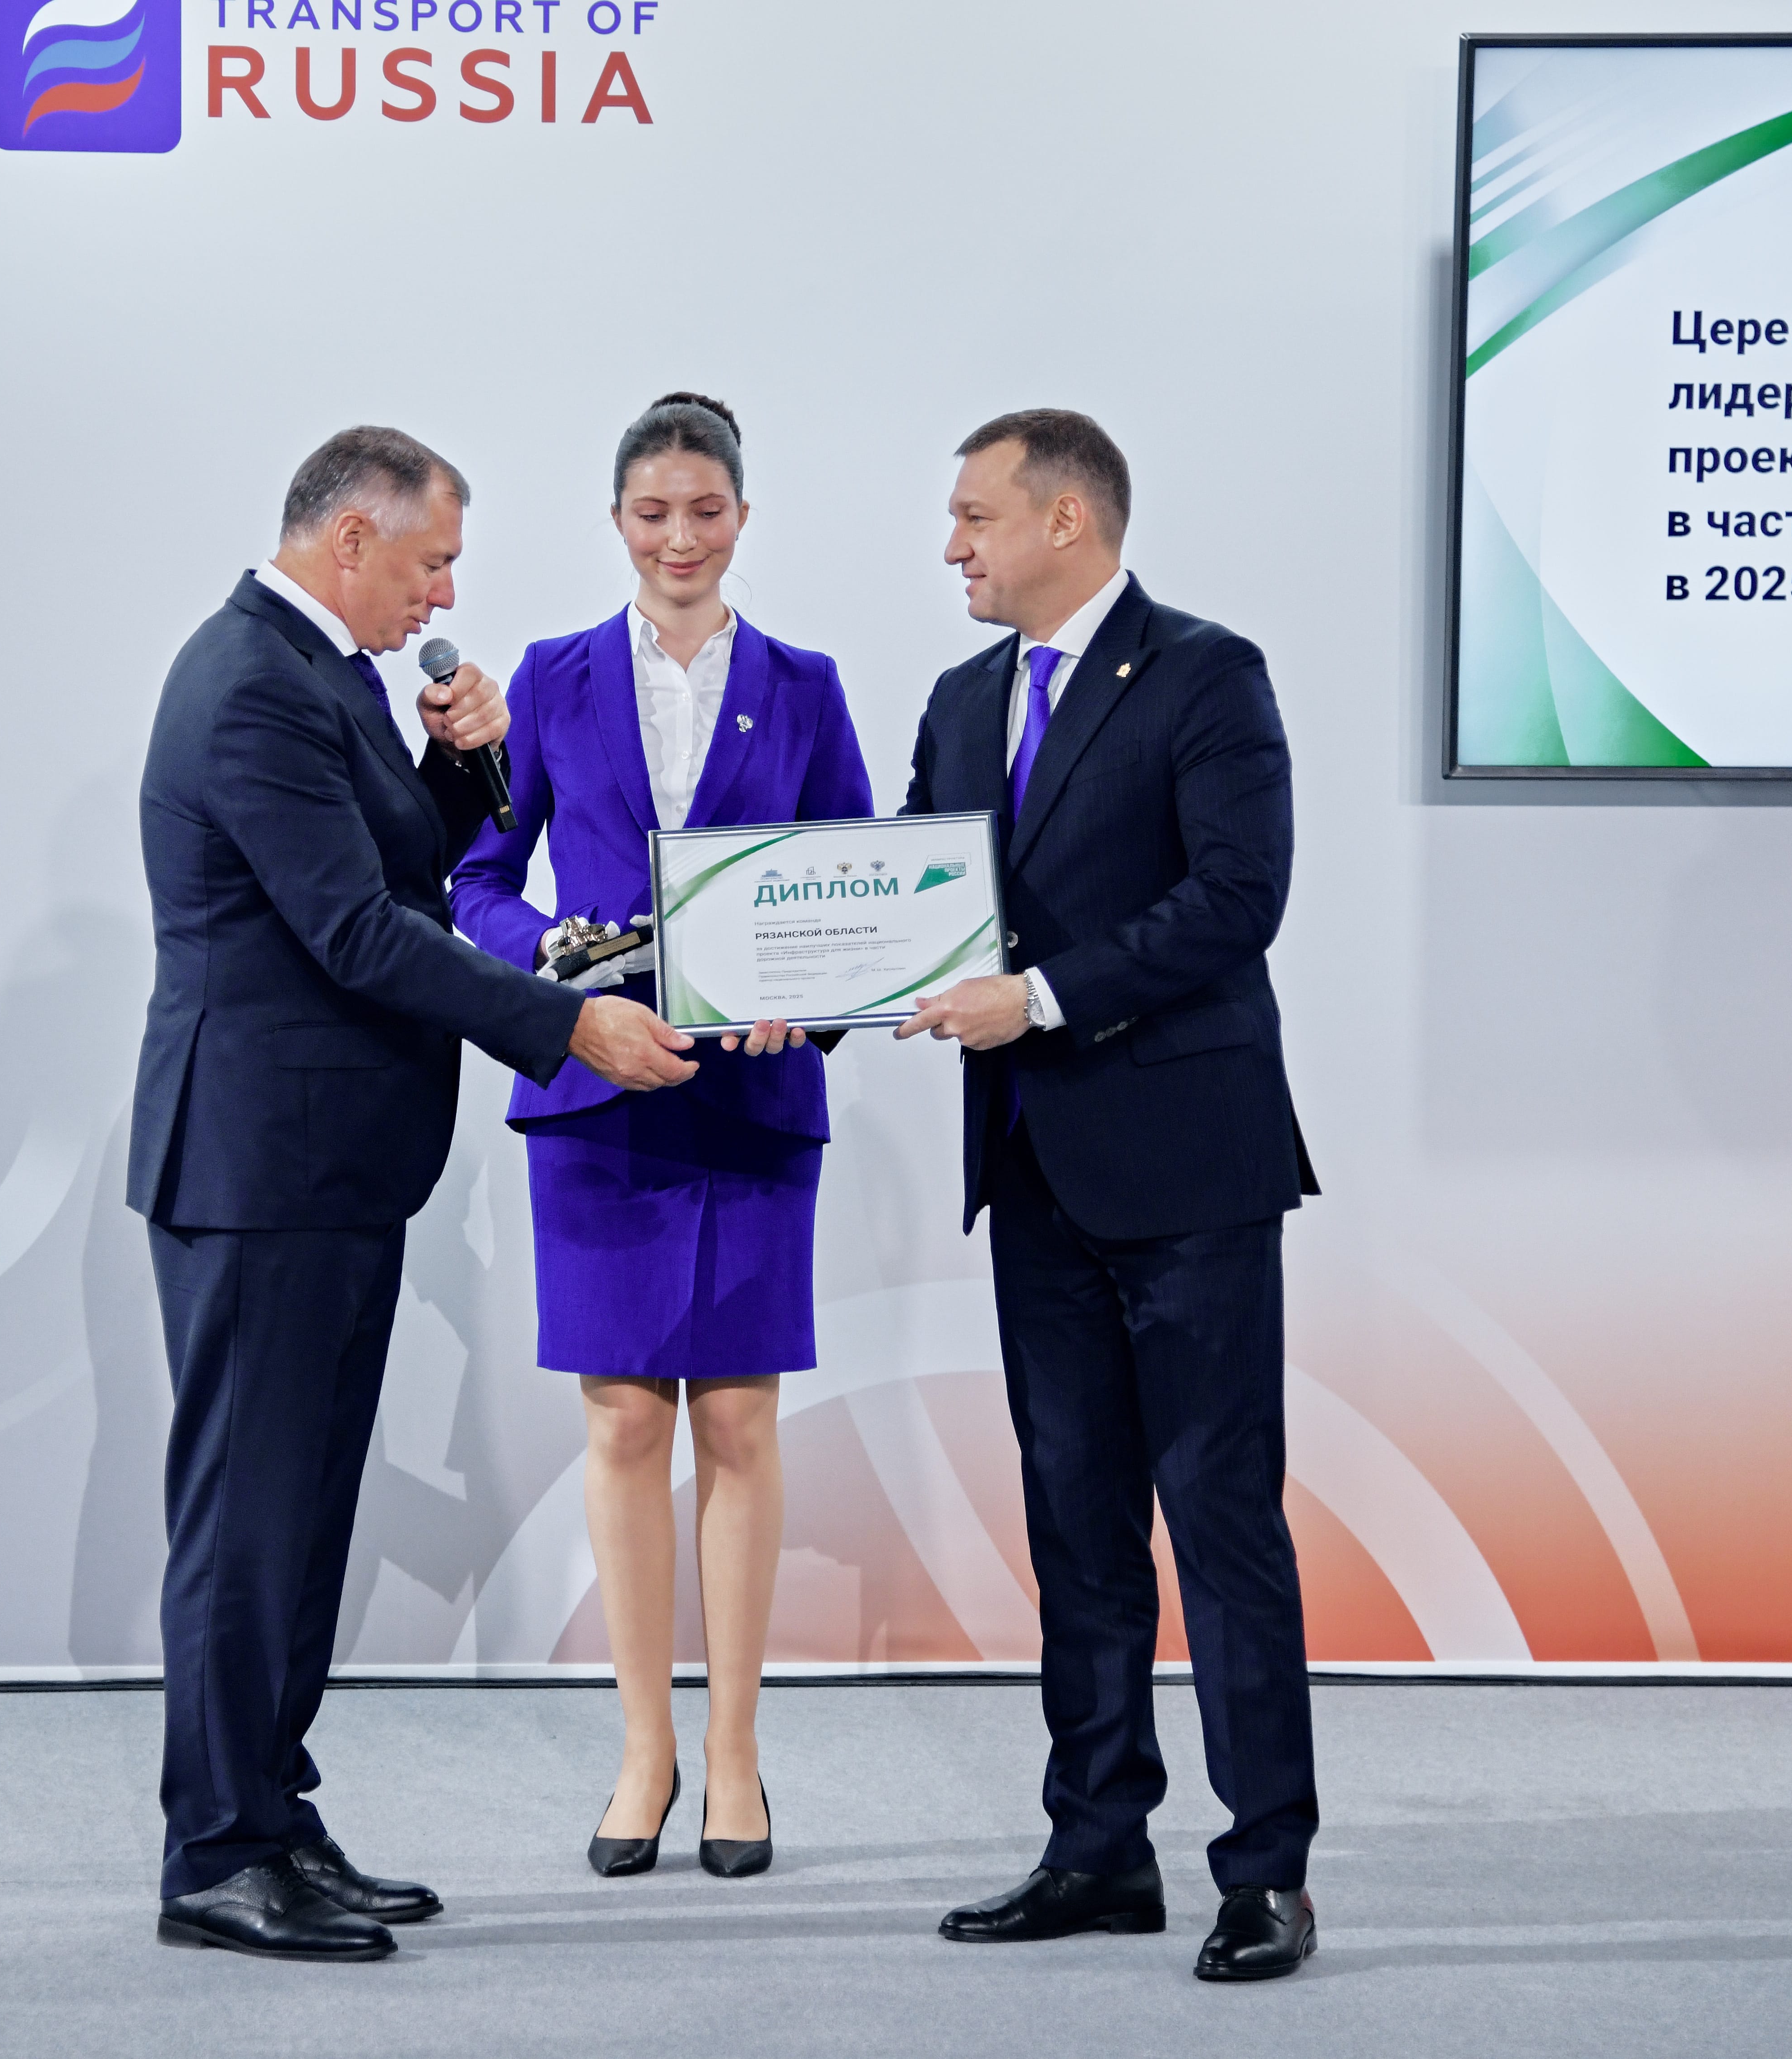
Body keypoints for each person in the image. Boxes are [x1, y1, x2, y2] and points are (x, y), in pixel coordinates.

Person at [128, 425, 702, 1962]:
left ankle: (273, 1818)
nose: (445, 594)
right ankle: (216, 1854)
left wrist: (462, 769)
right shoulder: (252, 682)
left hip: (327, 1168)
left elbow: (397, 873)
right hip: (259, 1169)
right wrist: (565, 1025)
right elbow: (355, 935)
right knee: (248, 1520)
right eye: (434, 562)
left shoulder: (321, 676)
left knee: (303, 1516)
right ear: (351, 540)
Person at [894, 409, 1324, 1981]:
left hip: (1188, 1168)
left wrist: (1047, 998)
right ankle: (1097, 1848)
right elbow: (907, 903)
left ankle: (1266, 1872)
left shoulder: (1206, 674)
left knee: (1218, 1518)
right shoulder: (961, 701)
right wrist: (788, 985)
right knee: (1076, 1527)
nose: (952, 544)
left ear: (1066, 519)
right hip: (1033, 1172)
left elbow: (1239, 898)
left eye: (975, 516)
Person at [449, 394, 872, 1880]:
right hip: (598, 1094)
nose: (679, 538)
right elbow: (477, 881)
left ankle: (737, 1755)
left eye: (704, 511)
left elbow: (855, 890)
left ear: (741, 518)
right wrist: (556, 965)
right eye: (652, 513)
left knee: (740, 1420)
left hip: (752, 1099)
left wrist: (808, 1002)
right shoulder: (550, 678)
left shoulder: (807, 687)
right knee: (625, 1420)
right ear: (617, 521)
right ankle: (647, 1750)